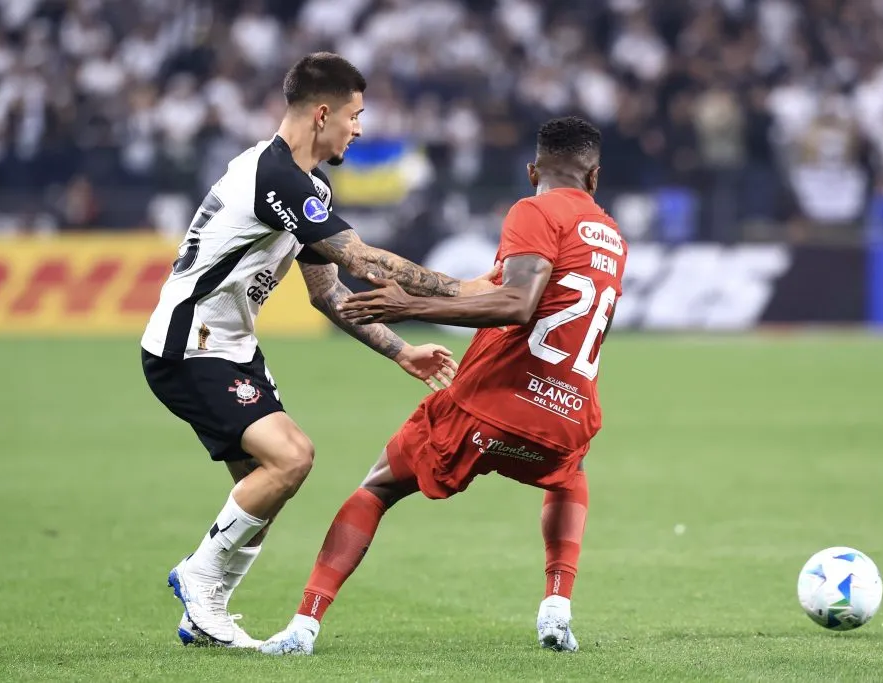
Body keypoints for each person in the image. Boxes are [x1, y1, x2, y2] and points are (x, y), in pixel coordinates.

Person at [140, 52, 496, 648]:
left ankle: (207, 613)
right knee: (292, 458)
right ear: (323, 113)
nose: (359, 129)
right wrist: (466, 289)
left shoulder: (308, 184)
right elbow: (363, 260)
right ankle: (199, 581)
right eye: (355, 116)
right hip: (188, 345)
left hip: (228, 347)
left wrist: (400, 352)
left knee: (261, 479)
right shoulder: (274, 175)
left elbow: (328, 295)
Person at [259, 116, 627, 655]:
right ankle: (556, 609)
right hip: (566, 414)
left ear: (532, 172)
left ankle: (303, 627)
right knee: (569, 477)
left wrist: (412, 309)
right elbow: (501, 292)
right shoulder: (612, 236)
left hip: (489, 404)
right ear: (594, 178)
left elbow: (518, 303)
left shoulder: (533, 210)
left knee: (378, 486)